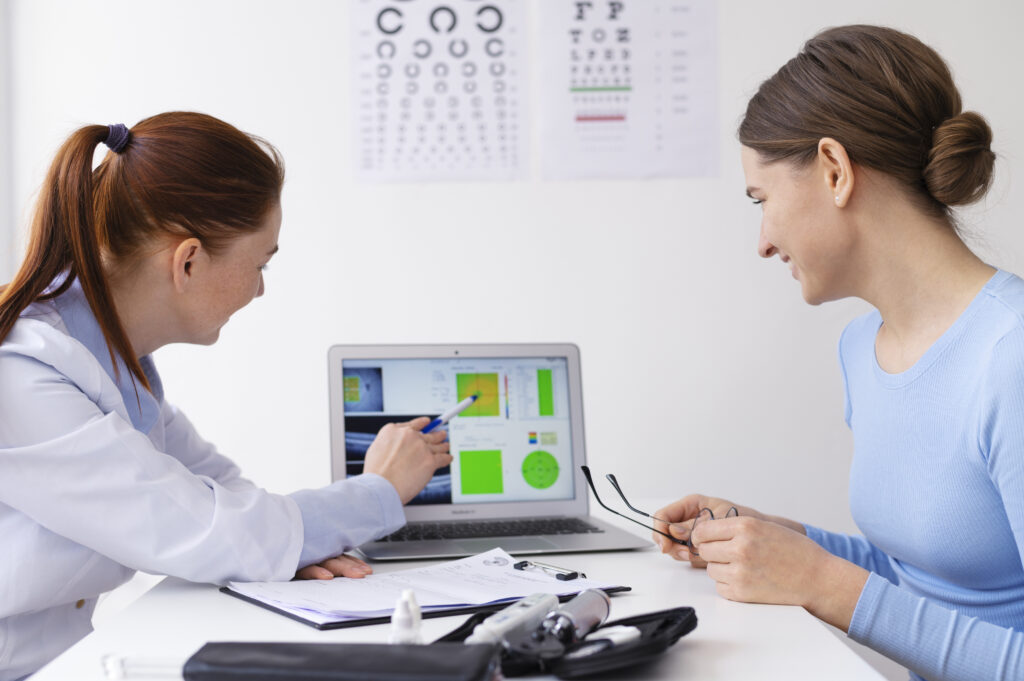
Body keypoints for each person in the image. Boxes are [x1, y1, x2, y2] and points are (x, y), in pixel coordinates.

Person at [0, 112, 452, 681]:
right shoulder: (22, 374)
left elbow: (224, 492)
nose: (261, 288)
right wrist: (380, 490)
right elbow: (208, 529)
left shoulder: (113, 363)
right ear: (187, 261)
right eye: (260, 263)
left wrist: (292, 546)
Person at [652, 25, 1024, 681]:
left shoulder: (1011, 357)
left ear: (834, 170)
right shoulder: (863, 349)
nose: (762, 241)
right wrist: (772, 540)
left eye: (762, 200)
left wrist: (822, 582)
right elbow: (923, 581)